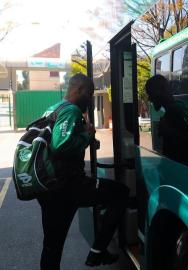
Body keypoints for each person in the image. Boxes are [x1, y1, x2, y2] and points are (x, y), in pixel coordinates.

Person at [37, 73, 129, 269]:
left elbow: (60, 142)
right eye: (90, 93)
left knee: (52, 245)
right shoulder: (71, 110)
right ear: (79, 90)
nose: (90, 98)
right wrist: (87, 137)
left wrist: (85, 139)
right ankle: (98, 252)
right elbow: (60, 145)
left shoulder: (53, 109)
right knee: (120, 193)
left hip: (49, 187)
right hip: (67, 185)